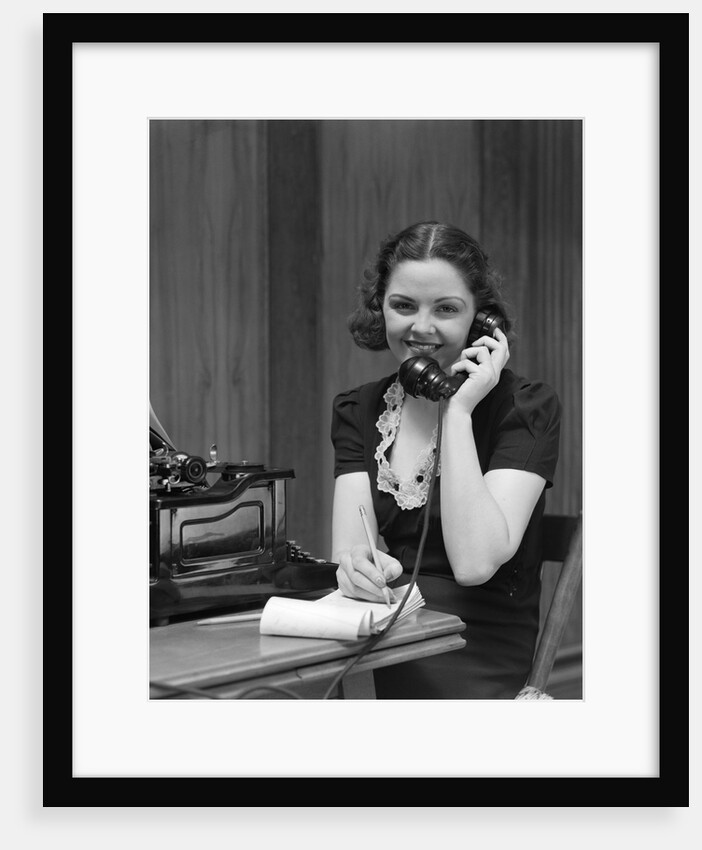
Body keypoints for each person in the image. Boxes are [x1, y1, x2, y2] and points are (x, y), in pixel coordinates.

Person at [330, 221, 561, 699]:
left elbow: (475, 562)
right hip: (384, 637)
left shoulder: (526, 408)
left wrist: (457, 410)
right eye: (403, 305)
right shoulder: (359, 409)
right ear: (381, 309)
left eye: (446, 309)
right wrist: (359, 570)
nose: (421, 327)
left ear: (481, 322)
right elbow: (353, 551)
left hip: (477, 652)